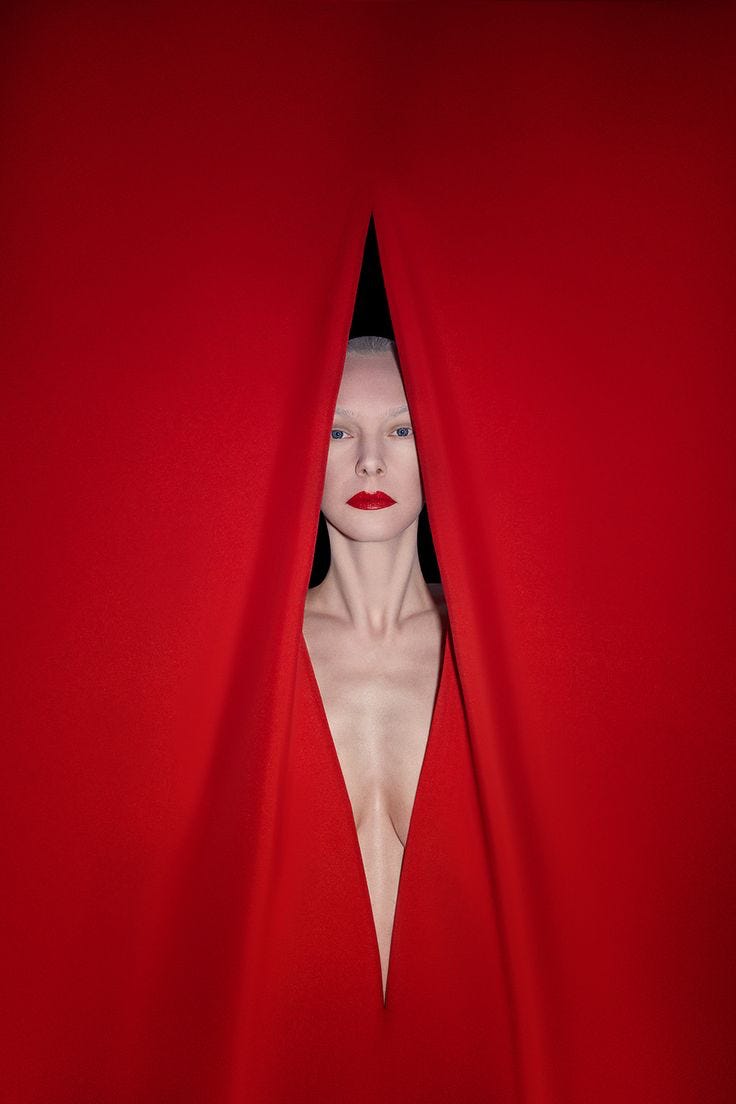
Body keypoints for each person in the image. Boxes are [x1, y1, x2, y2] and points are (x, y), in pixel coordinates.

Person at [302, 335, 448, 1002]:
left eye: (400, 428)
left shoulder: (500, 653)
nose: (368, 462)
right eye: (337, 431)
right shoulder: (255, 648)